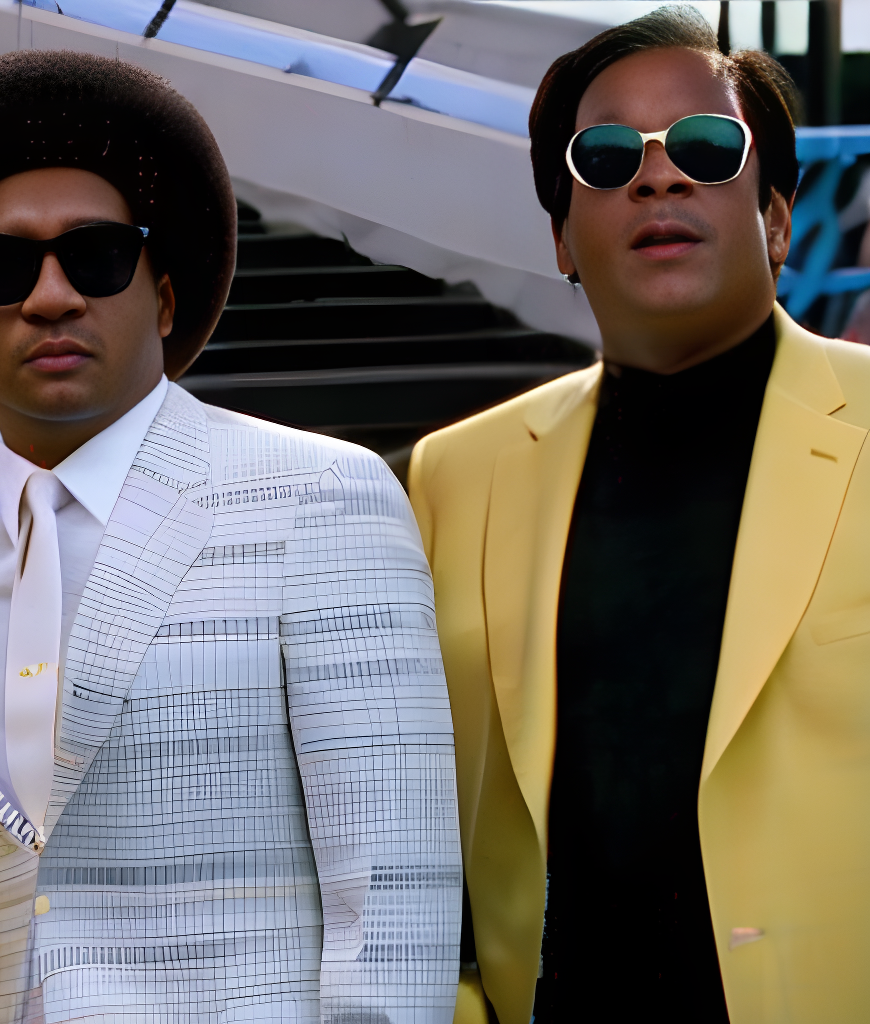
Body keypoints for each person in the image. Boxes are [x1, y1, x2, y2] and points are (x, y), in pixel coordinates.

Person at [0, 49, 461, 1024]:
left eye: (97, 256)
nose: (50, 295)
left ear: (168, 296)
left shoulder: (323, 498)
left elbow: (393, 903)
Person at [409, 8, 870, 1023]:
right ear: (564, 239)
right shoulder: (456, 473)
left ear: (778, 218)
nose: (658, 177)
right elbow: (417, 812)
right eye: (607, 156)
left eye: (706, 146)